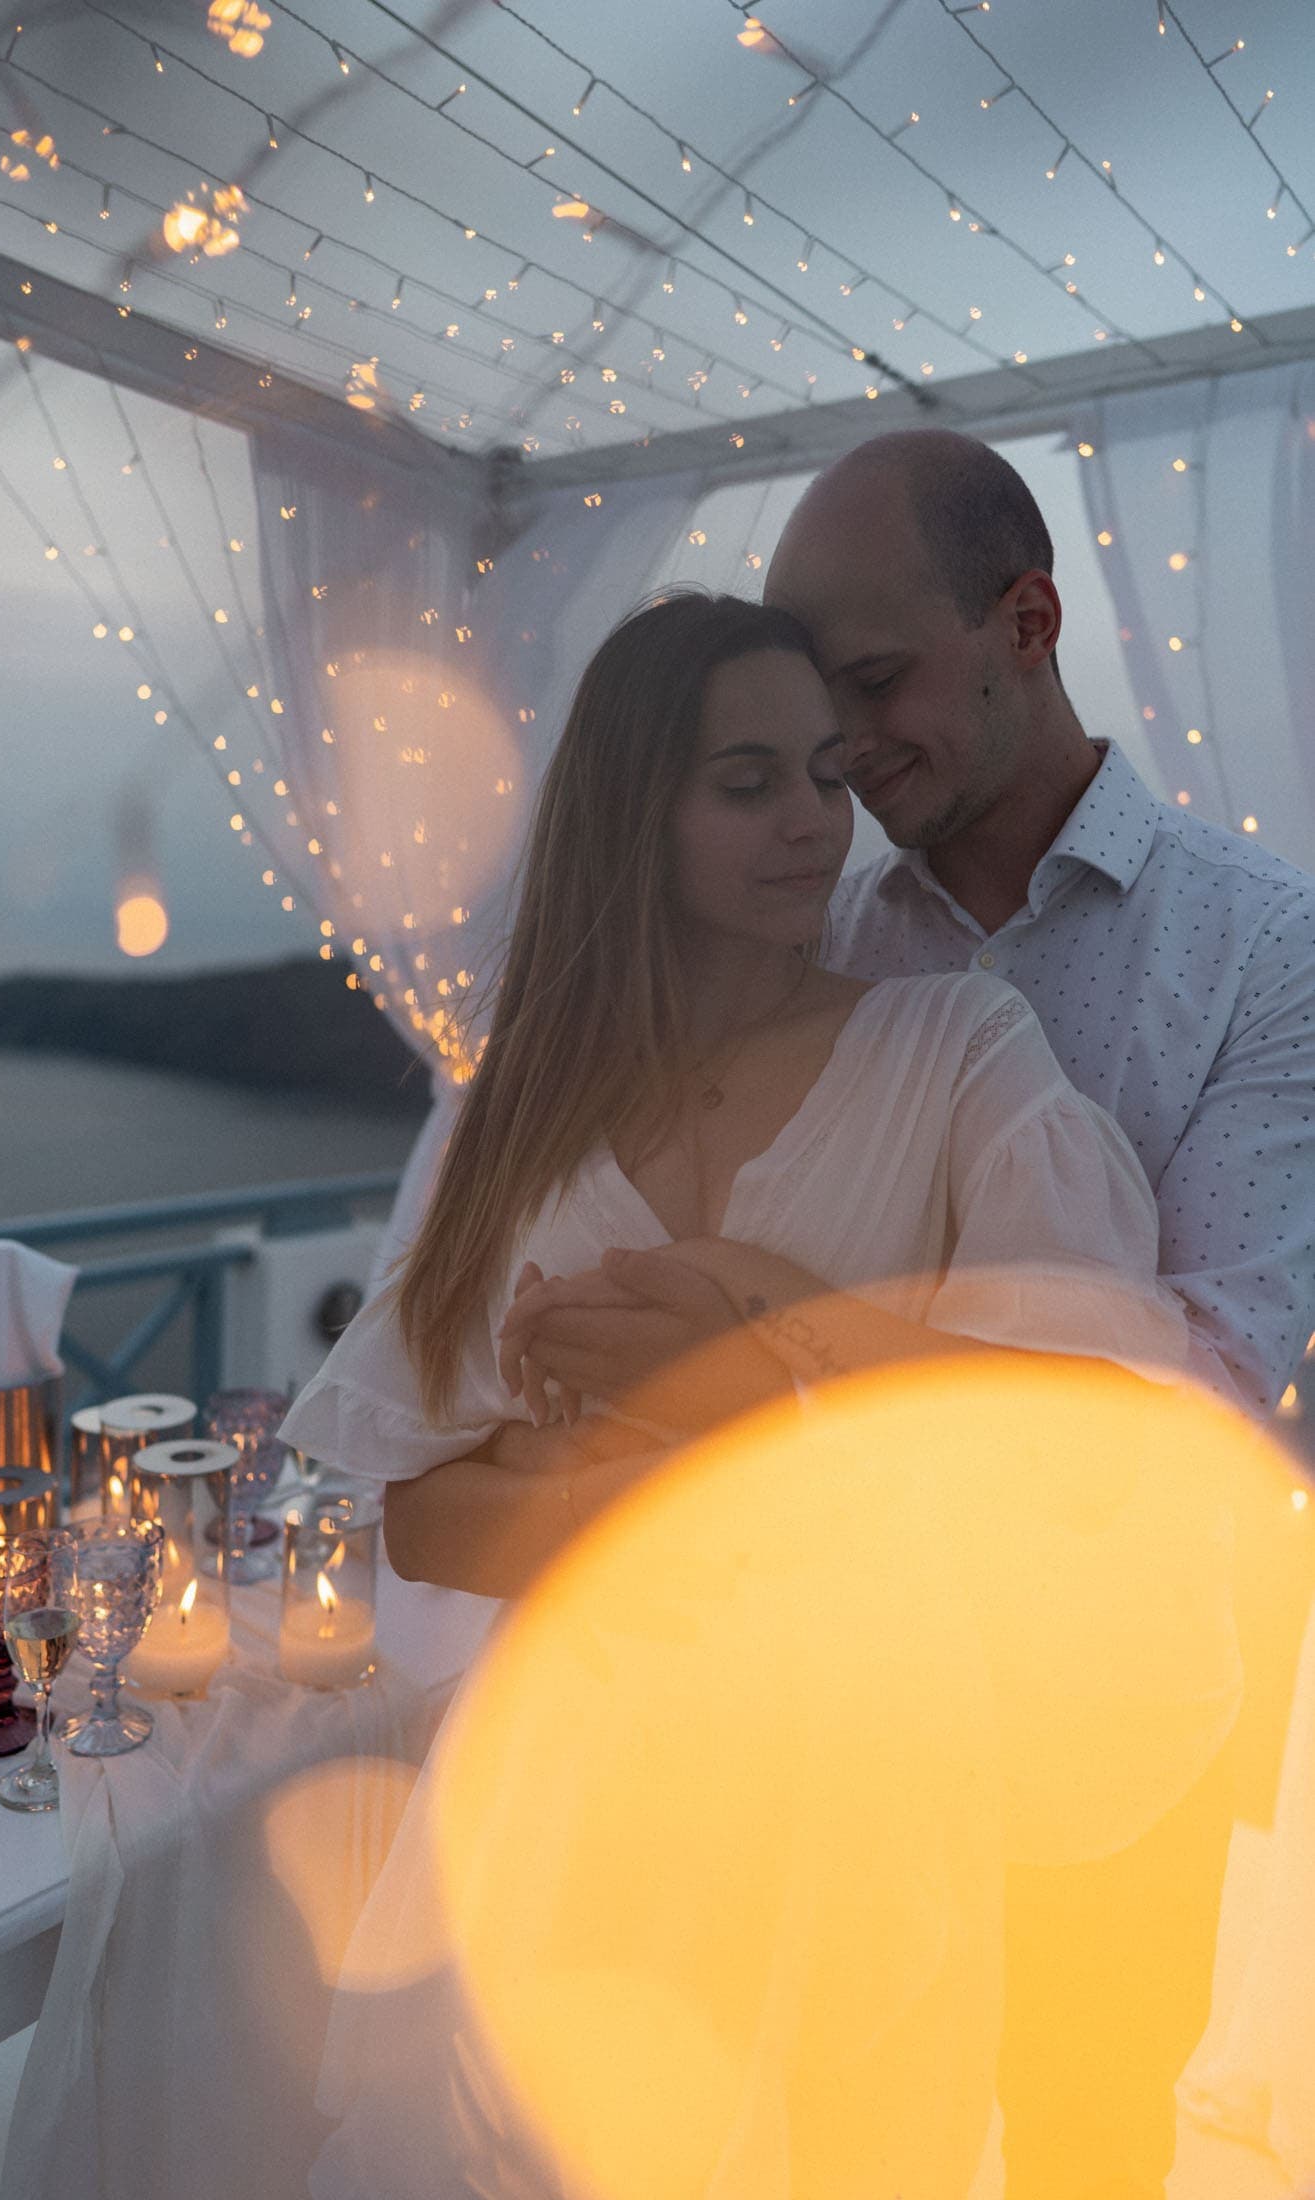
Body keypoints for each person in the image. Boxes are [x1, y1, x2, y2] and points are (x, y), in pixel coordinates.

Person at [283, 586, 1200, 2199]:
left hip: (863, 1792)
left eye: (829, 777)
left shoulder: (951, 1051)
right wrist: (654, 1488)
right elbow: (400, 1495)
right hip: (567, 1794)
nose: (814, 826)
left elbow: (1088, 1431)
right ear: (634, 813)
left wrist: (759, 1332)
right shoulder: (528, 1113)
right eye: (749, 781)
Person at [490, 432, 1315, 2200]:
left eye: (876, 682)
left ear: (1030, 619)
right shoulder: (823, 941)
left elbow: (1187, 1393)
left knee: (1087, 2135)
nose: (843, 752)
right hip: (833, 1704)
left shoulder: (1269, 951)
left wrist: (737, 1344)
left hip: (1124, 1696)